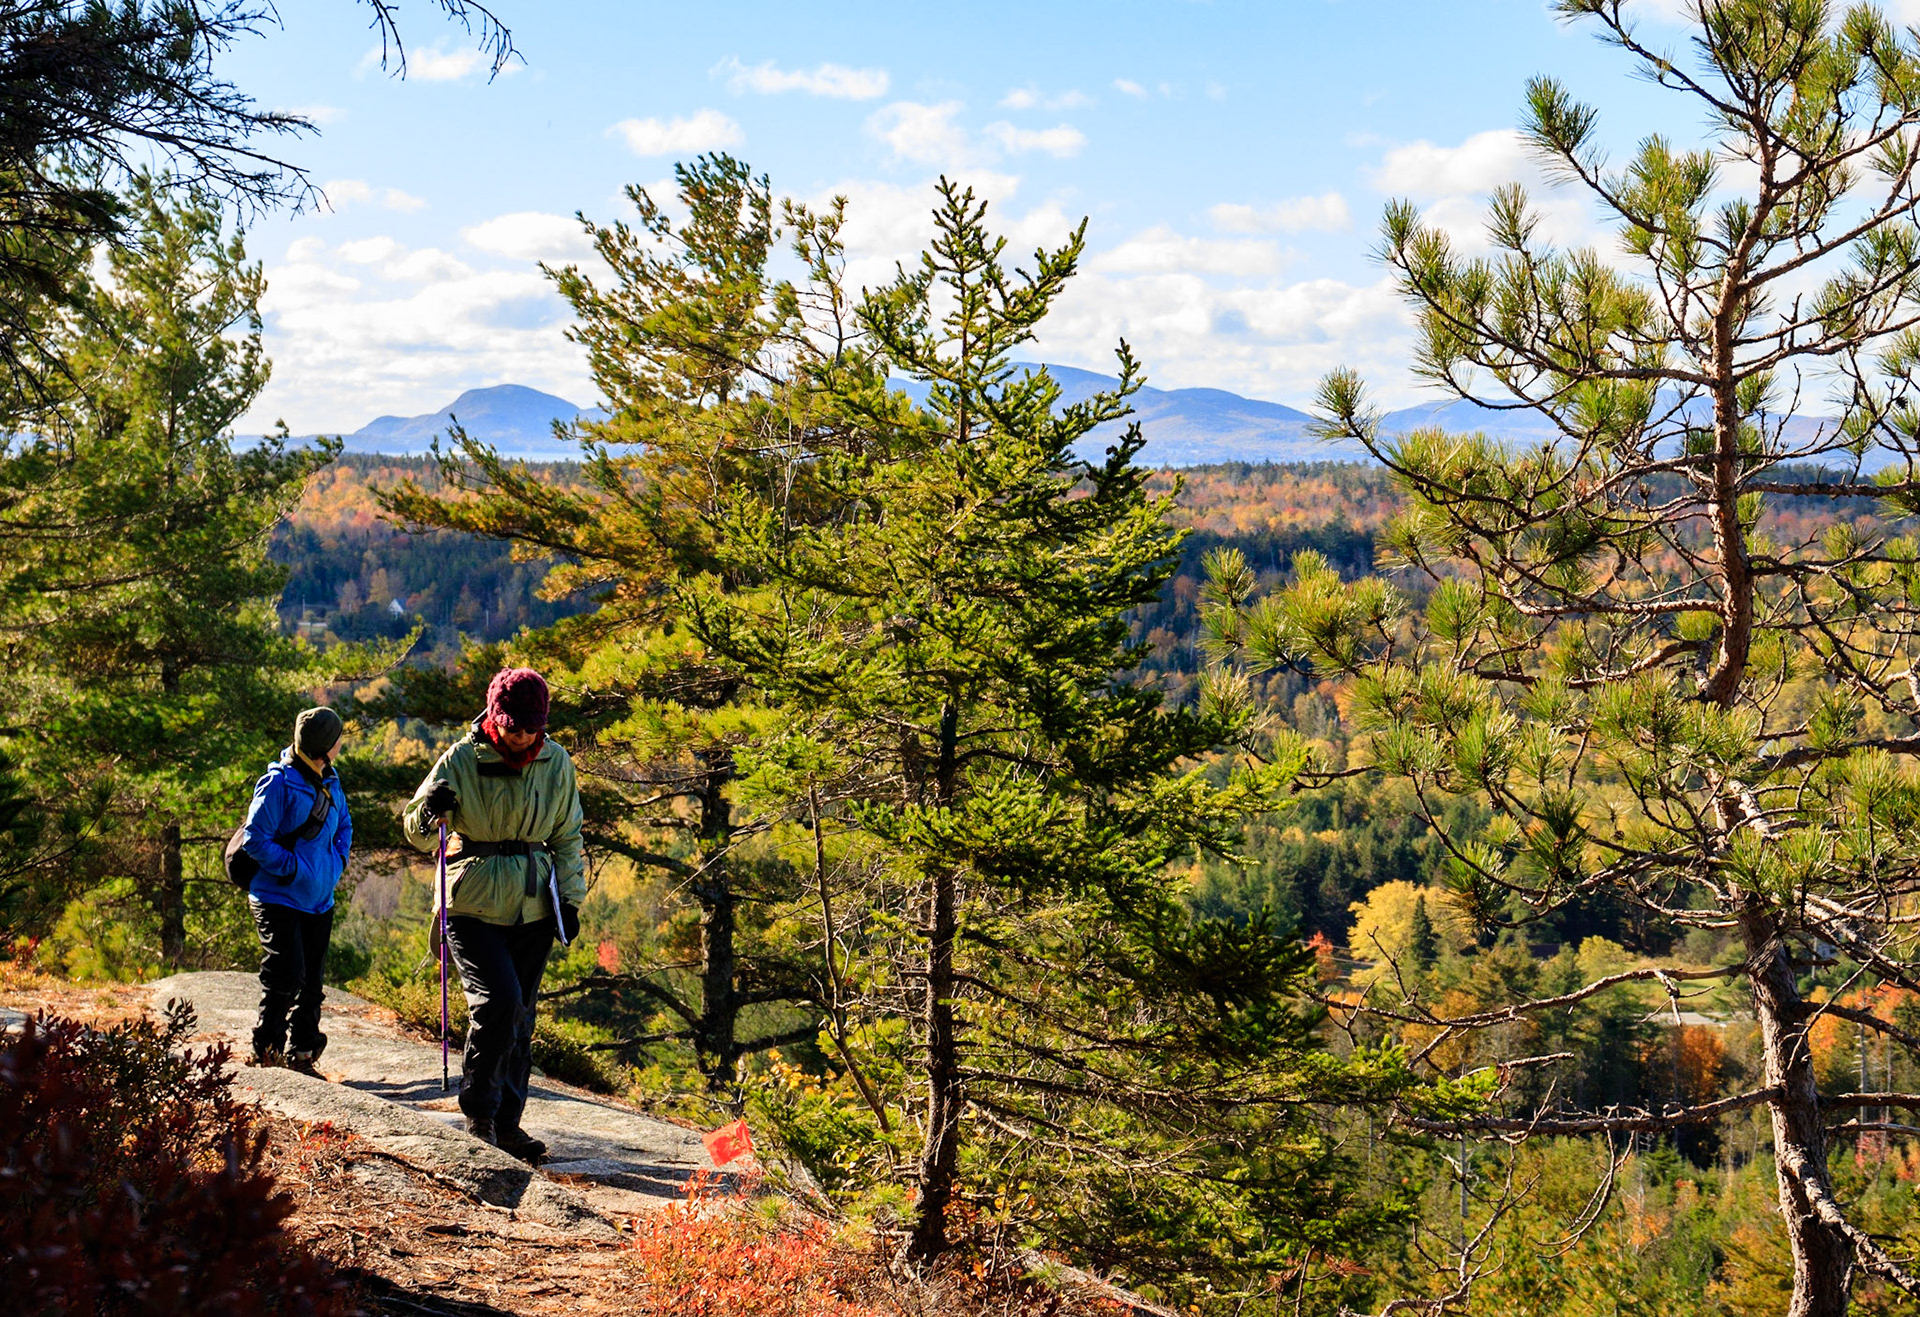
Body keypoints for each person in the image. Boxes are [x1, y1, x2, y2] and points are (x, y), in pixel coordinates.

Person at [404, 667, 584, 1163]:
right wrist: (429, 811)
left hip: (534, 905)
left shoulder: (556, 761)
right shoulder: (460, 758)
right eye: (513, 725)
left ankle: (508, 1125)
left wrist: (570, 899)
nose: (521, 736)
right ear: (495, 716)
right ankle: (479, 1113)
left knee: (520, 1015)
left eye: (531, 727)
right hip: (472, 904)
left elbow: (568, 838)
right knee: (498, 1003)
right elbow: (417, 833)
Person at [241, 705, 353, 1074]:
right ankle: (268, 1052)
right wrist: (294, 870)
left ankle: (304, 1053)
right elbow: (255, 840)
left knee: (313, 983)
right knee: (286, 975)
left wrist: (336, 864)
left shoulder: (331, 780)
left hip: (319, 900)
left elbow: (345, 827)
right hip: (278, 897)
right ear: (327, 745)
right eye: (338, 739)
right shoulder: (278, 783)